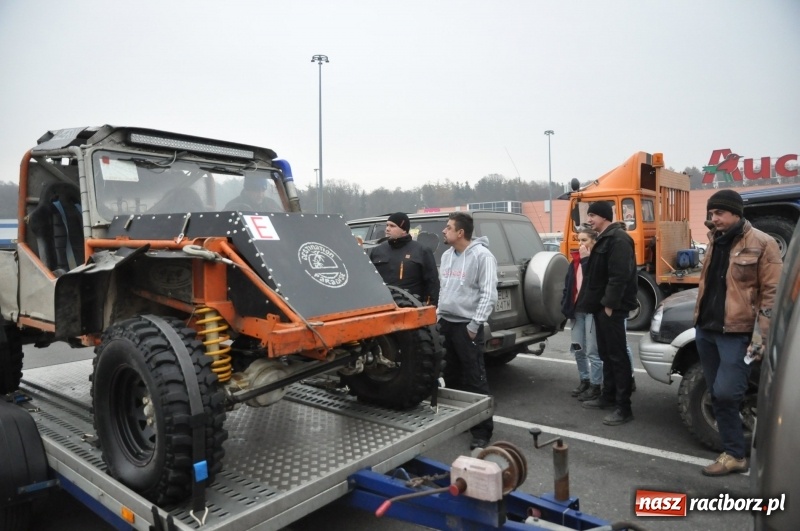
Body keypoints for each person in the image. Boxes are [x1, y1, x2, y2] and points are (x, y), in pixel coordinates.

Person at [694, 189, 782, 476]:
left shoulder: (762, 242)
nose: (713, 218)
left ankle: (737, 453)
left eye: (719, 213)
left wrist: (761, 336)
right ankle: (734, 454)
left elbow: (772, 294)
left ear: (735, 213)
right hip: (707, 331)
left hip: (737, 333)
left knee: (726, 393)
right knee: (717, 392)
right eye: (711, 213)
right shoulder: (714, 241)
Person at [437, 212, 498, 450]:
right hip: (446, 324)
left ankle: (482, 431)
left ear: (460, 232)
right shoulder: (446, 255)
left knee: (475, 379)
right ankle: (460, 421)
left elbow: (488, 294)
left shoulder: (482, 256)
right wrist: (439, 317)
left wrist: (474, 326)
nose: (444, 230)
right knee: (450, 376)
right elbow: (445, 289)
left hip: (466, 326)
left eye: (448, 227)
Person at [577, 201, 638, 425]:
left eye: (592, 215)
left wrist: (610, 305)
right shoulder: (604, 238)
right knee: (606, 354)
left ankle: (624, 408)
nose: (590, 219)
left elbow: (619, 276)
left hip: (611, 308)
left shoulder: (619, 239)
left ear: (603, 216)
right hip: (601, 307)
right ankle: (608, 396)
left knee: (617, 356)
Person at [561, 226, 603, 402]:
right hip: (577, 312)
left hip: (591, 311)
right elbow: (569, 286)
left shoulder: (596, 260)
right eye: (579, 240)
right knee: (578, 348)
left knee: (593, 351)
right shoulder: (575, 261)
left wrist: (586, 261)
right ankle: (584, 380)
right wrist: (566, 306)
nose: (580, 244)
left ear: (593, 242)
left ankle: (596, 386)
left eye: (584, 240)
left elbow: (593, 283)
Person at [368, 212, 439, 306]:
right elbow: (370, 281)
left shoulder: (421, 251)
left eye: (392, 226)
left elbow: (432, 283)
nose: (387, 229)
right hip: (383, 307)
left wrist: (430, 308)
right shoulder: (377, 251)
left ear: (404, 230)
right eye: (387, 225)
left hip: (412, 307)